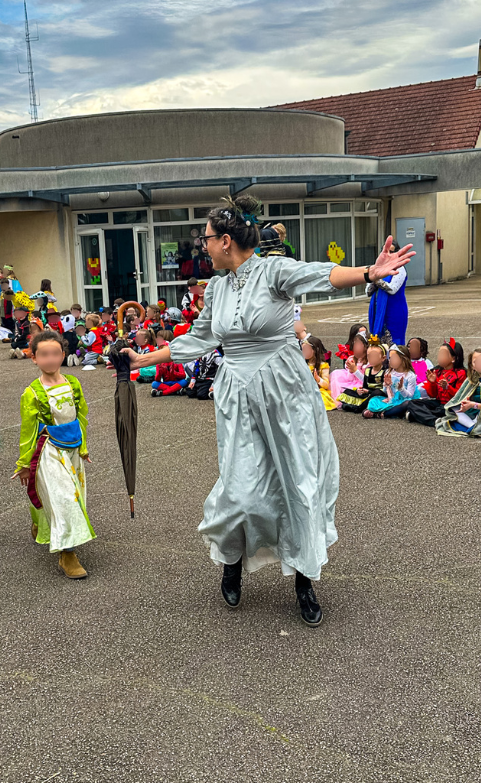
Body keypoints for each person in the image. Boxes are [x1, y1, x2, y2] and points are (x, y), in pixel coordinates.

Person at [122, 194, 413, 627]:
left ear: (225, 241)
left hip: (283, 390)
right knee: (240, 488)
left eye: (205, 239)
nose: (201, 247)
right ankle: (233, 560)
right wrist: (144, 360)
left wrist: (370, 272)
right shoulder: (217, 288)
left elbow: (320, 274)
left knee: (297, 483)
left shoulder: (272, 270)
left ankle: (303, 579)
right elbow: (200, 338)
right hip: (236, 395)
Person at [14, 328, 95, 579]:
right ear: (34, 358)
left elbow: (81, 415)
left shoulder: (73, 383)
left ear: (63, 355)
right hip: (49, 450)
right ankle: (67, 553)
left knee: (75, 496)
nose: (50, 359)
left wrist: (83, 446)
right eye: (44, 355)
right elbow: (28, 431)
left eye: (55, 354)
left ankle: (43, 522)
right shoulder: (32, 393)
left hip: (72, 449)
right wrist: (24, 462)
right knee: (64, 498)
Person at [391, 339, 465, 426]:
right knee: (412, 403)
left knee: (441, 411)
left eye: (443, 354)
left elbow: (461, 396)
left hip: (452, 405)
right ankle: (435, 420)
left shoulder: (461, 373)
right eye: (439, 353)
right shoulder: (437, 371)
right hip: (439, 403)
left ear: (454, 358)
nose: (439, 357)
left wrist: (447, 387)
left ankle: (424, 418)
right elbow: (433, 395)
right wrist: (433, 383)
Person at [435, 349, 481, 437]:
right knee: (453, 407)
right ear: (472, 365)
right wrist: (464, 401)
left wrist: (473, 405)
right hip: (470, 410)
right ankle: (472, 425)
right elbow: (458, 397)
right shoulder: (471, 379)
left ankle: (473, 426)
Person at [367, 244, 408, 344]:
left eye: (391, 252)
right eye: (386, 251)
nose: (388, 255)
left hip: (394, 311)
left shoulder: (400, 269)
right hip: (378, 310)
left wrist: (376, 280)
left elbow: (392, 289)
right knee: (377, 339)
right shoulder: (376, 268)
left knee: (394, 340)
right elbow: (368, 291)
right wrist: (374, 278)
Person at [364, 344, 417, 418]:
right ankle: (382, 411)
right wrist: (387, 385)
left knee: (408, 403)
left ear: (403, 359)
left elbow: (409, 396)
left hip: (402, 400)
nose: (390, 360)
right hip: (390, 399)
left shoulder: (410, 376)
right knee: (374, 400)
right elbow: (385, 391)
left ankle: (382, 414)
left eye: (393, 358)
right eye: (390, 358)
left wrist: (401, 389)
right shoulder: (389, 372)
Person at [336, 340, 388, 413]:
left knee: (377, 392)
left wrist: (369, 391)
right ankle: (358, 405)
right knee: (347, 391)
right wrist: (361, 390)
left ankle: (359, 408)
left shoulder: (385, 371)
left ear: (383, 358)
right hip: (368, 394)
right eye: (369, 356)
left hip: (378, 395)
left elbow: (385, 389)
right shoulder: (368, 370)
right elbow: (365, 385)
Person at [329, 328, 369, 405]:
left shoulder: (368, 362)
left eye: (359, 344)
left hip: (362, 384)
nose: (356, 346)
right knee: (336, 374)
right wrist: (351, 371)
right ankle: (338, 399)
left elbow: (367, 381)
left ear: (365, 346)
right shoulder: (352, 358)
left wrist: (355, 370)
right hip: (351, 383)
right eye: (355, 343)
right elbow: (350, 379)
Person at [302, 335, 335, 410]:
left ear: (315, 350)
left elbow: (326, 385)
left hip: (316, 390)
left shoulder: (323, 365)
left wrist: (318, 379)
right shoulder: (302, 363)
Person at [150, 329, 187, 397]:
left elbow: (183, 375)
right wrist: (159, 372)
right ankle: (175, 390)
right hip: (166, 383)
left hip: (176, 382)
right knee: (154, 384)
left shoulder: (176, 360)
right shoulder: (160, 363)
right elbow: (157, 379)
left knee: (184, 382)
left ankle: (163, 392)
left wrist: (174, 372)